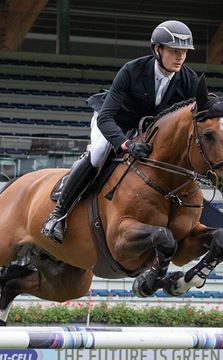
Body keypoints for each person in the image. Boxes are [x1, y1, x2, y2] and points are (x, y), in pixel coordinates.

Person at [42, 20, 199, 244]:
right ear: (157, 50)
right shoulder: (132, 70)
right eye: (174, 51)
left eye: (184, 52)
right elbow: (106, 118)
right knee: (98, 152)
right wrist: (125, 144)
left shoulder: (189, 80)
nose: (180, 57)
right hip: (113, 121)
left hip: (145, 129)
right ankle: (58, 215)